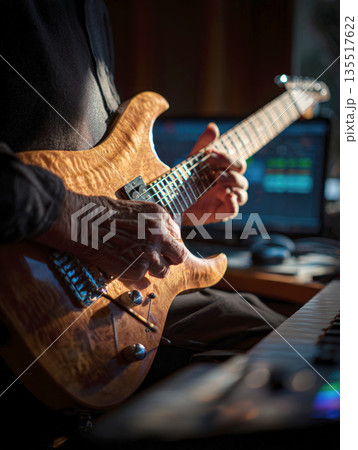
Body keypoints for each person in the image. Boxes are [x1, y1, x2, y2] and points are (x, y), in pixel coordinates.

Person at [0, 0, 284, 445]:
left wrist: (178, 211)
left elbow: (104, 172)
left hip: (105, 290)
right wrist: (76, 217)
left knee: (285, 337)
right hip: (27, 280)